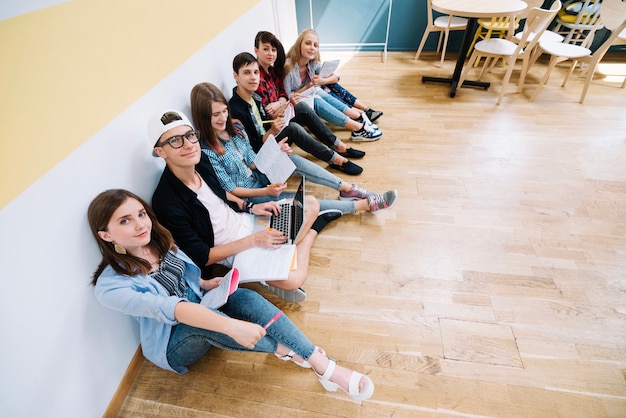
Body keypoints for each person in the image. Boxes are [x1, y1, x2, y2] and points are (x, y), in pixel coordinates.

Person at [87, 188, 375, 401]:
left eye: (141, 214)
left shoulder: (161, 241)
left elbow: (185, 279)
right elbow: (174, 308)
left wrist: (204, 284)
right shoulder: (111, 287)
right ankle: (293, 353)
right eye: (125, 221)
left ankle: (317, 362)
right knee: (199, 320)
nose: (140, 225)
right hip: (174, 345)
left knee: (244, 297)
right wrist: (231, 325)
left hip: (201, 307)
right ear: (106, 235)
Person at [148, 109, 326, 303]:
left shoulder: (202, 162)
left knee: (310, 204)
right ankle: (311, 233)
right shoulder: (166, 202)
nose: (189, 145)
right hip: (231, 247)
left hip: (247, 220)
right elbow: (204, 256)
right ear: (160, 151)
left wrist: (251, 207)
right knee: (294, 279)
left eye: (190, 136)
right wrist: (254, 240)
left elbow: (220, 192)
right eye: (175, 140)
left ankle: (277, 261)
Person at [190, 81, 398, 214]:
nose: (222, 118)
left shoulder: (235, 128)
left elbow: (252, 162)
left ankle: (347, 189)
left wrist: (275, 153)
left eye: (224, 111)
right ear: (202, 117)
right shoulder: (206, 152)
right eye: (215, 115)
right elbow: (231, 189)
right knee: (300, 202)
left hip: (260, 175)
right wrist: (266, 191)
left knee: (292, 159)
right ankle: (363, 205)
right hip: (251, 193)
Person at [228, 52, 363, 175]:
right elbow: (253, 149)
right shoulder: (236, 110)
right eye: (247, 73)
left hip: (268, 136)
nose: (253, 77)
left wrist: (286, 108)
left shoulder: (254, 97)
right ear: (236, 76)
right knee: (293, 129)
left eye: (256, 72)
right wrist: (273, 131)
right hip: (261, 153)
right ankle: (335, 160)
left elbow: (264, 120)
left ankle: (338, 145)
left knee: (301, 107)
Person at [253, 31, 365, 161]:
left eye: (273, 50)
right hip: (275, 124)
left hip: (286, 109)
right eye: (265, 49)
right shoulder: (261, 77)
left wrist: (281, 103)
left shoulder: (272, 71)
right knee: (310, 102)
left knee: (320, 91)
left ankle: (350, 127)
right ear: (256, 50)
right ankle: (346, 139)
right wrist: (285, 103)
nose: (270, 54)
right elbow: (270, 114)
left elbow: (282, 94)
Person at [283, 30, 383, 142]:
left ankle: (357, 117)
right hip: (294, 108)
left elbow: (336, 75)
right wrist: (308, 87)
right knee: (316, 97)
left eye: (315, 45)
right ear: (299, 44)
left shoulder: (312, 64)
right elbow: (287, 99)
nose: (312, 48)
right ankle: (358, 128)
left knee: (319, 92)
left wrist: (322, 81)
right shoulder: (288, 67)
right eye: (308, 43)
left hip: (307, 98)